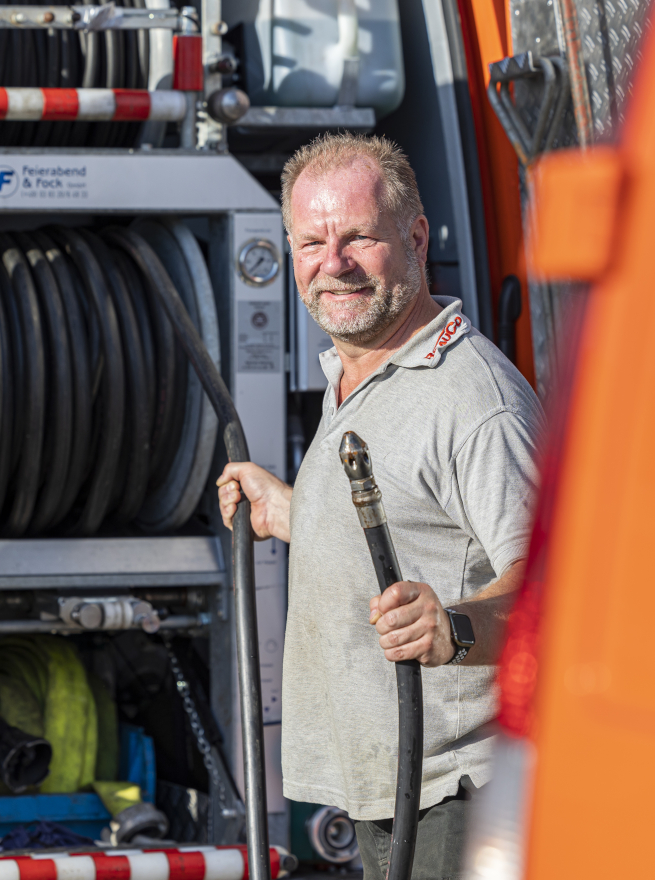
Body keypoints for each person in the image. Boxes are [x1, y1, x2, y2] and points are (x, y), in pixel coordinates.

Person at [217, 133, 542, 880]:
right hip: (390, 796)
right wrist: (291, 510)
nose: (334, 264)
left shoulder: (472, 401)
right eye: (312, 242)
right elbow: (412, 529)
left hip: (459, 795)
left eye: (360, 236)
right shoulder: (364, 374)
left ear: (416, 237)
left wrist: (456, 627)